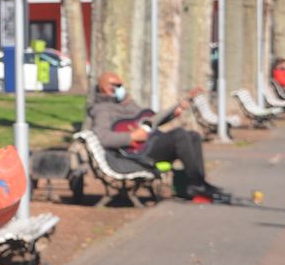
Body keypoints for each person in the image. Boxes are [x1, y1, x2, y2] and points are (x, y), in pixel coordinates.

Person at [86, 71, 227, 200]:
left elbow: (150, 122)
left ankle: (198, 182)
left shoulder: (128, 103)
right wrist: (131, 137)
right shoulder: (102, 110)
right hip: (137, 153)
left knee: (193, 135)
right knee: (179, 134)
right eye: (116, 85)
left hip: (151, 142)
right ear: (104, 87)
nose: (121, 88)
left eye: (121, 84)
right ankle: (196, 183)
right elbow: (103, 137)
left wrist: (173, 114)